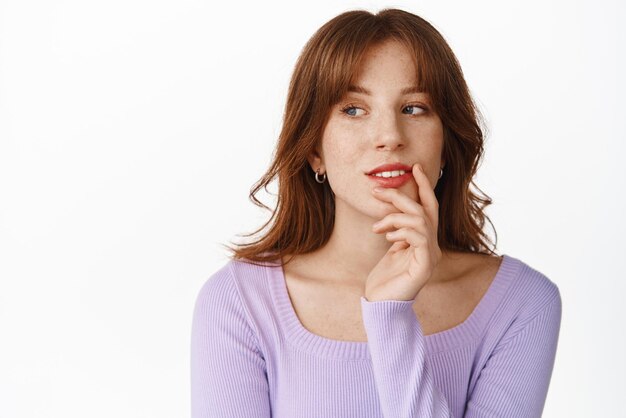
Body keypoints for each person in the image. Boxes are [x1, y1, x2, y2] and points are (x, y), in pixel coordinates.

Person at [190, 8, 562, 418]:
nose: (389, 137)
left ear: (446, 141)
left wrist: (390, 317)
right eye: (352, 109)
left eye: (415, 108)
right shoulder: (239, 302)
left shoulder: (521, 303)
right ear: (315, 149)